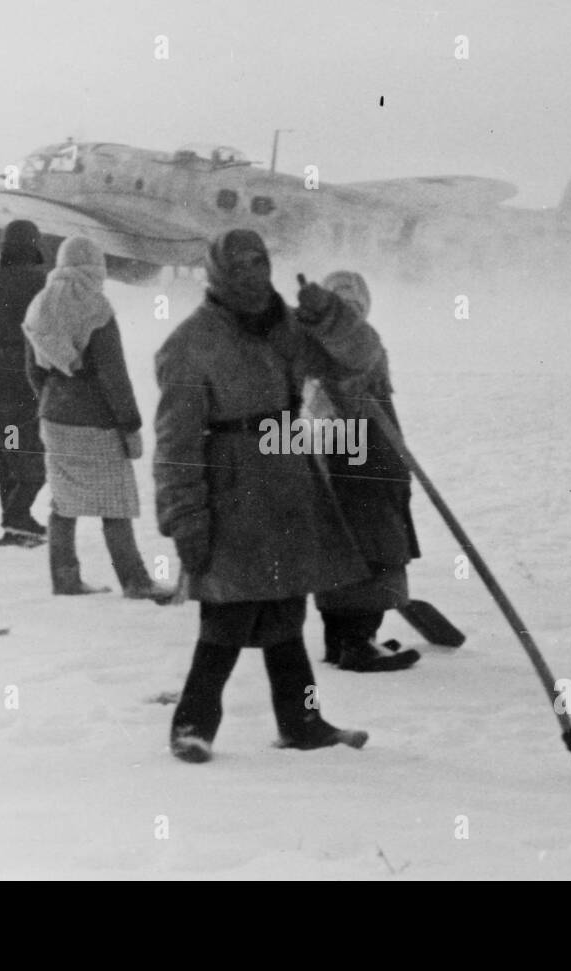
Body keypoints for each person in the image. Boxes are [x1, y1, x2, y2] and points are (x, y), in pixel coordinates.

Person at [153, 229, 379, 763]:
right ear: (218, 273)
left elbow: (359, 360)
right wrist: (184, 516)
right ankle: (192, 725)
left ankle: (303, 723)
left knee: (285, 609)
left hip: (287, 478)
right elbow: (175, 444)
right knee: (228, 612)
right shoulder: (189, 345)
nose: (255, 275)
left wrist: (331, 317)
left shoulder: (287, 330)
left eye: (262, 261)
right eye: (242, 266)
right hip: (229, 484)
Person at [23, 235, 174, 601]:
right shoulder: (96, 307)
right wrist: (131, 425)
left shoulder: (40, 305)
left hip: (55, 417)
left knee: (64, 501)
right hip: (97, 418)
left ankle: (65, 578)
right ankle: (136, 581)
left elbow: (33, 370)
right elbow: (113, 375)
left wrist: (52, 399)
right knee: (115, 501)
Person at [308, 271, 422, 673]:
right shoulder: (351, 342)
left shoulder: (314, 340)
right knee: (372, 545)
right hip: (361, 456)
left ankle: (344, 640)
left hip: (338, 450)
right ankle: (359, 642)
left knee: (344, 544)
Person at [0, 219, 49, 544]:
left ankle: (17, 518)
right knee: (26, 446)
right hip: (26, 378)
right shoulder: (40, 281)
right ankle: (16, 516)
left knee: (7, 448)